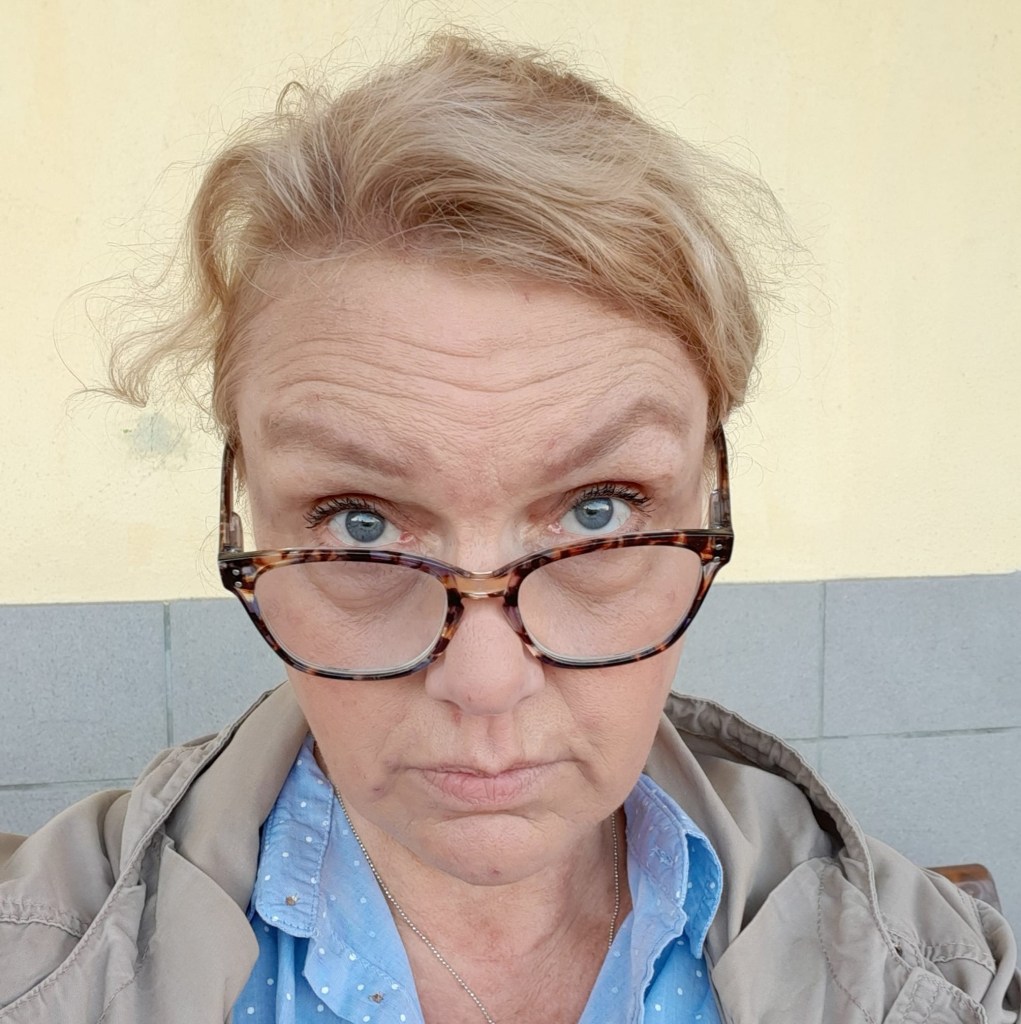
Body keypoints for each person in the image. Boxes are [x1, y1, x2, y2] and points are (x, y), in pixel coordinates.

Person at [1, 31, 1017, 1024]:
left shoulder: (930, 979)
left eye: (597, 510)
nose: (485, 683)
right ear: (243, 514)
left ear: (709, 496)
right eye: (360, 524)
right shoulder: (35, 963)